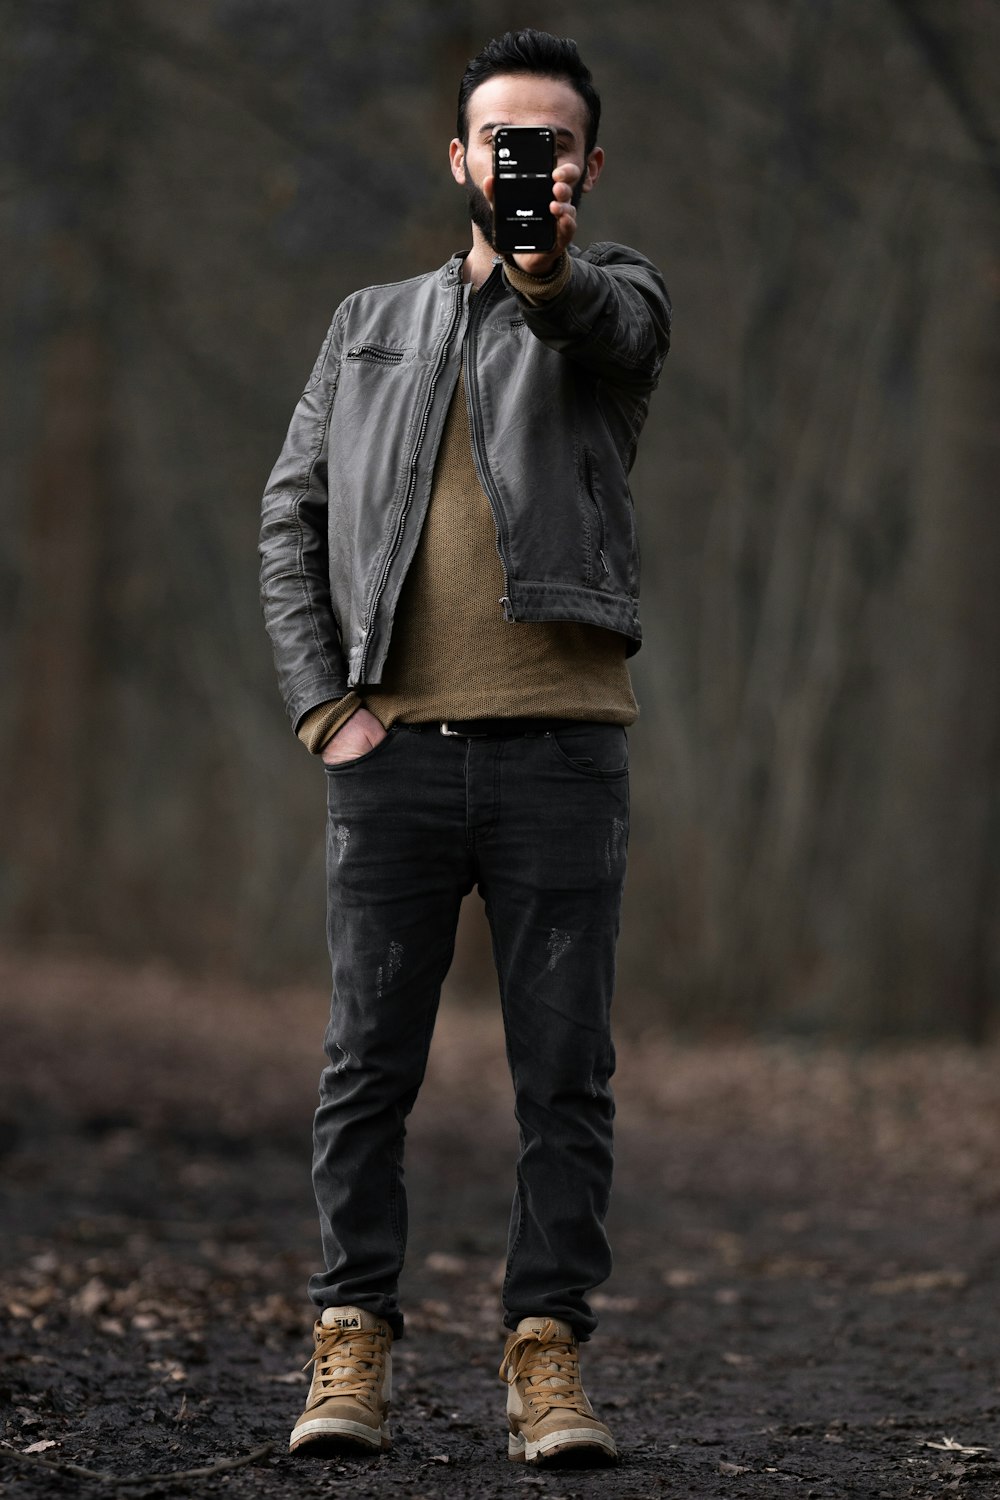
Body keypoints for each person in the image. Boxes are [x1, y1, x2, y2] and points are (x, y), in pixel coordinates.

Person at [259, 27, 670, 1468]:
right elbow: (287, 523)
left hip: (564, 754)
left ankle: (548, 1354)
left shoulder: (618, 301)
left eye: (551, 144)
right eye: (504, 141)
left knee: (567, 1073)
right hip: (396, 760)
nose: (526, 163)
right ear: (458, 156)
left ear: (586, 166)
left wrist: (550, 262)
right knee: (367, 1064)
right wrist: (331, 711)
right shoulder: (367, 323)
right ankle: (352, 1342)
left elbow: (596, 327)